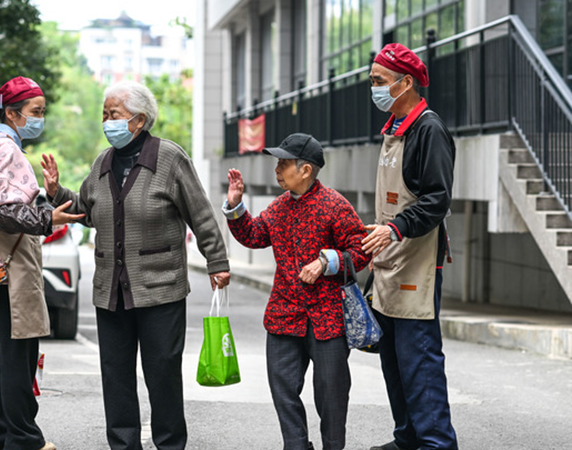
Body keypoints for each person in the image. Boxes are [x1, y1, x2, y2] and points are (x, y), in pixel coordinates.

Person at [41, 80, 230, 450]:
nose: (106, 122)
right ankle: (123, 444)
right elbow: (86, 209)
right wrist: (56, 193)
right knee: (115, 375)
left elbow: (200, 212)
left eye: (113, 114)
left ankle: (170, 444)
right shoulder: (103, 162)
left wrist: (216, 260)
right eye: (104, 115)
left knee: (162, 373)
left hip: (161, 288)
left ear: (139, 120)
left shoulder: (170, 158)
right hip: (111, 291)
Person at [223, 133, 371, 450]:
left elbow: (360, 251)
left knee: (332, 394)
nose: (277, 169)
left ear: (305, 170)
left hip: (327, 317)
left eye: (284, 164)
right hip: (284, 313)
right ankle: (296, 446)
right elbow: (254, 235)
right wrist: (235, 206)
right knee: (283, 389)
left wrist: (326, 262)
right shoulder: (279, 207)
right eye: (277, 163)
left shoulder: (335, 205)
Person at [0, 76, 83, 450]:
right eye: (35, 111)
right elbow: (2, 212)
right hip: (7, 268)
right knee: (17, 354)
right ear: (12, 114)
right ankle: (24, 439)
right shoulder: (5, 150)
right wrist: (48, 218)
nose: (40, 118)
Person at [361, 43, 458, 450]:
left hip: (416, 263)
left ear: (405, 83)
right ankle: (408, 438)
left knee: (419, 360)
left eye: (379, 81)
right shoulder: (394, 129)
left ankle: (436, 443)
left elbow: (437, 200)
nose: (374, 88)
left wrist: (394, 229)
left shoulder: (428, 129)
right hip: (389, 260)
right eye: (372, 81)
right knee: (394, 360)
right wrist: (380, 237)